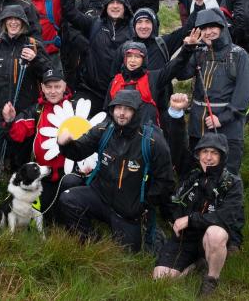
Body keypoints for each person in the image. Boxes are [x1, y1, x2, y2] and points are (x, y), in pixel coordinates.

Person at [58, 90, 174, 252]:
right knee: (68, 199)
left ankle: (146, 229)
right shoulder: (104, 129)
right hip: (100, 196)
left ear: (136, 111)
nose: (121, 113)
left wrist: (144, 204)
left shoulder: (153, 141)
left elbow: (166, 181)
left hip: (128, 211)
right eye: (118, 107)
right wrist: (65, 144)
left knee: (128, 251)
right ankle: (91, 239)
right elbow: (78, 151)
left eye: (127, 108)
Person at [153, 128, 244, 298]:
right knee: (161, 279)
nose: (208, 157)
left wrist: (190, 219)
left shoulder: (232, 183)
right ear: (199, 154)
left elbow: (225, 218)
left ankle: (211, 278)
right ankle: (197, 263)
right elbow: (178, 144)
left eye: (214, 153)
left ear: (222, 156)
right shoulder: (191, 175)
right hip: (185, 237)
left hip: (209, 236)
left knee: (215, 234)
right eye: (204, 152)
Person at [0, 5, 51, 187]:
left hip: (24, 113)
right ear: (3, 23)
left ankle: (18, 189)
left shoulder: (34, 45)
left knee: (20, 157)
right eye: (9, 19)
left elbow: (50, 73)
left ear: (24, 23)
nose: (13, 22)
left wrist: (36, 59)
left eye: (17, 19)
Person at [174, 8, 249, 176]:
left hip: (227, 130)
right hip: (198, 128)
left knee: (226, 176)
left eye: (213, 27)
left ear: (222, 27)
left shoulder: (239, 55)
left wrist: (221, 119)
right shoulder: (199, 53)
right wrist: (187, 49)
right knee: (197, 173)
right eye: (204, 28)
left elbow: (244, 96)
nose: (208, 32)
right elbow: (180, 74)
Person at [2, 64, 85, 224]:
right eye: (49, 87)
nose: (53, 91)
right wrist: (10, 120)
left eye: (57, 86)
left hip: (66, 175)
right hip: (43, 176)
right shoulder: (37, 110)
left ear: (64, 87)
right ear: (42, 88)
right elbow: (18, 134)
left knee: (63, 211)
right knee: (44, 218)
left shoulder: (75, 110)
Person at [59, 0, 136, 113]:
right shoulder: (95, 23)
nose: (115, 6)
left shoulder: (133, 29)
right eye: (111, 3)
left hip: (120, 92)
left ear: (126, 7)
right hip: (91, 90)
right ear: (105, 7)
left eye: (119, 3)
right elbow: (71, 13)